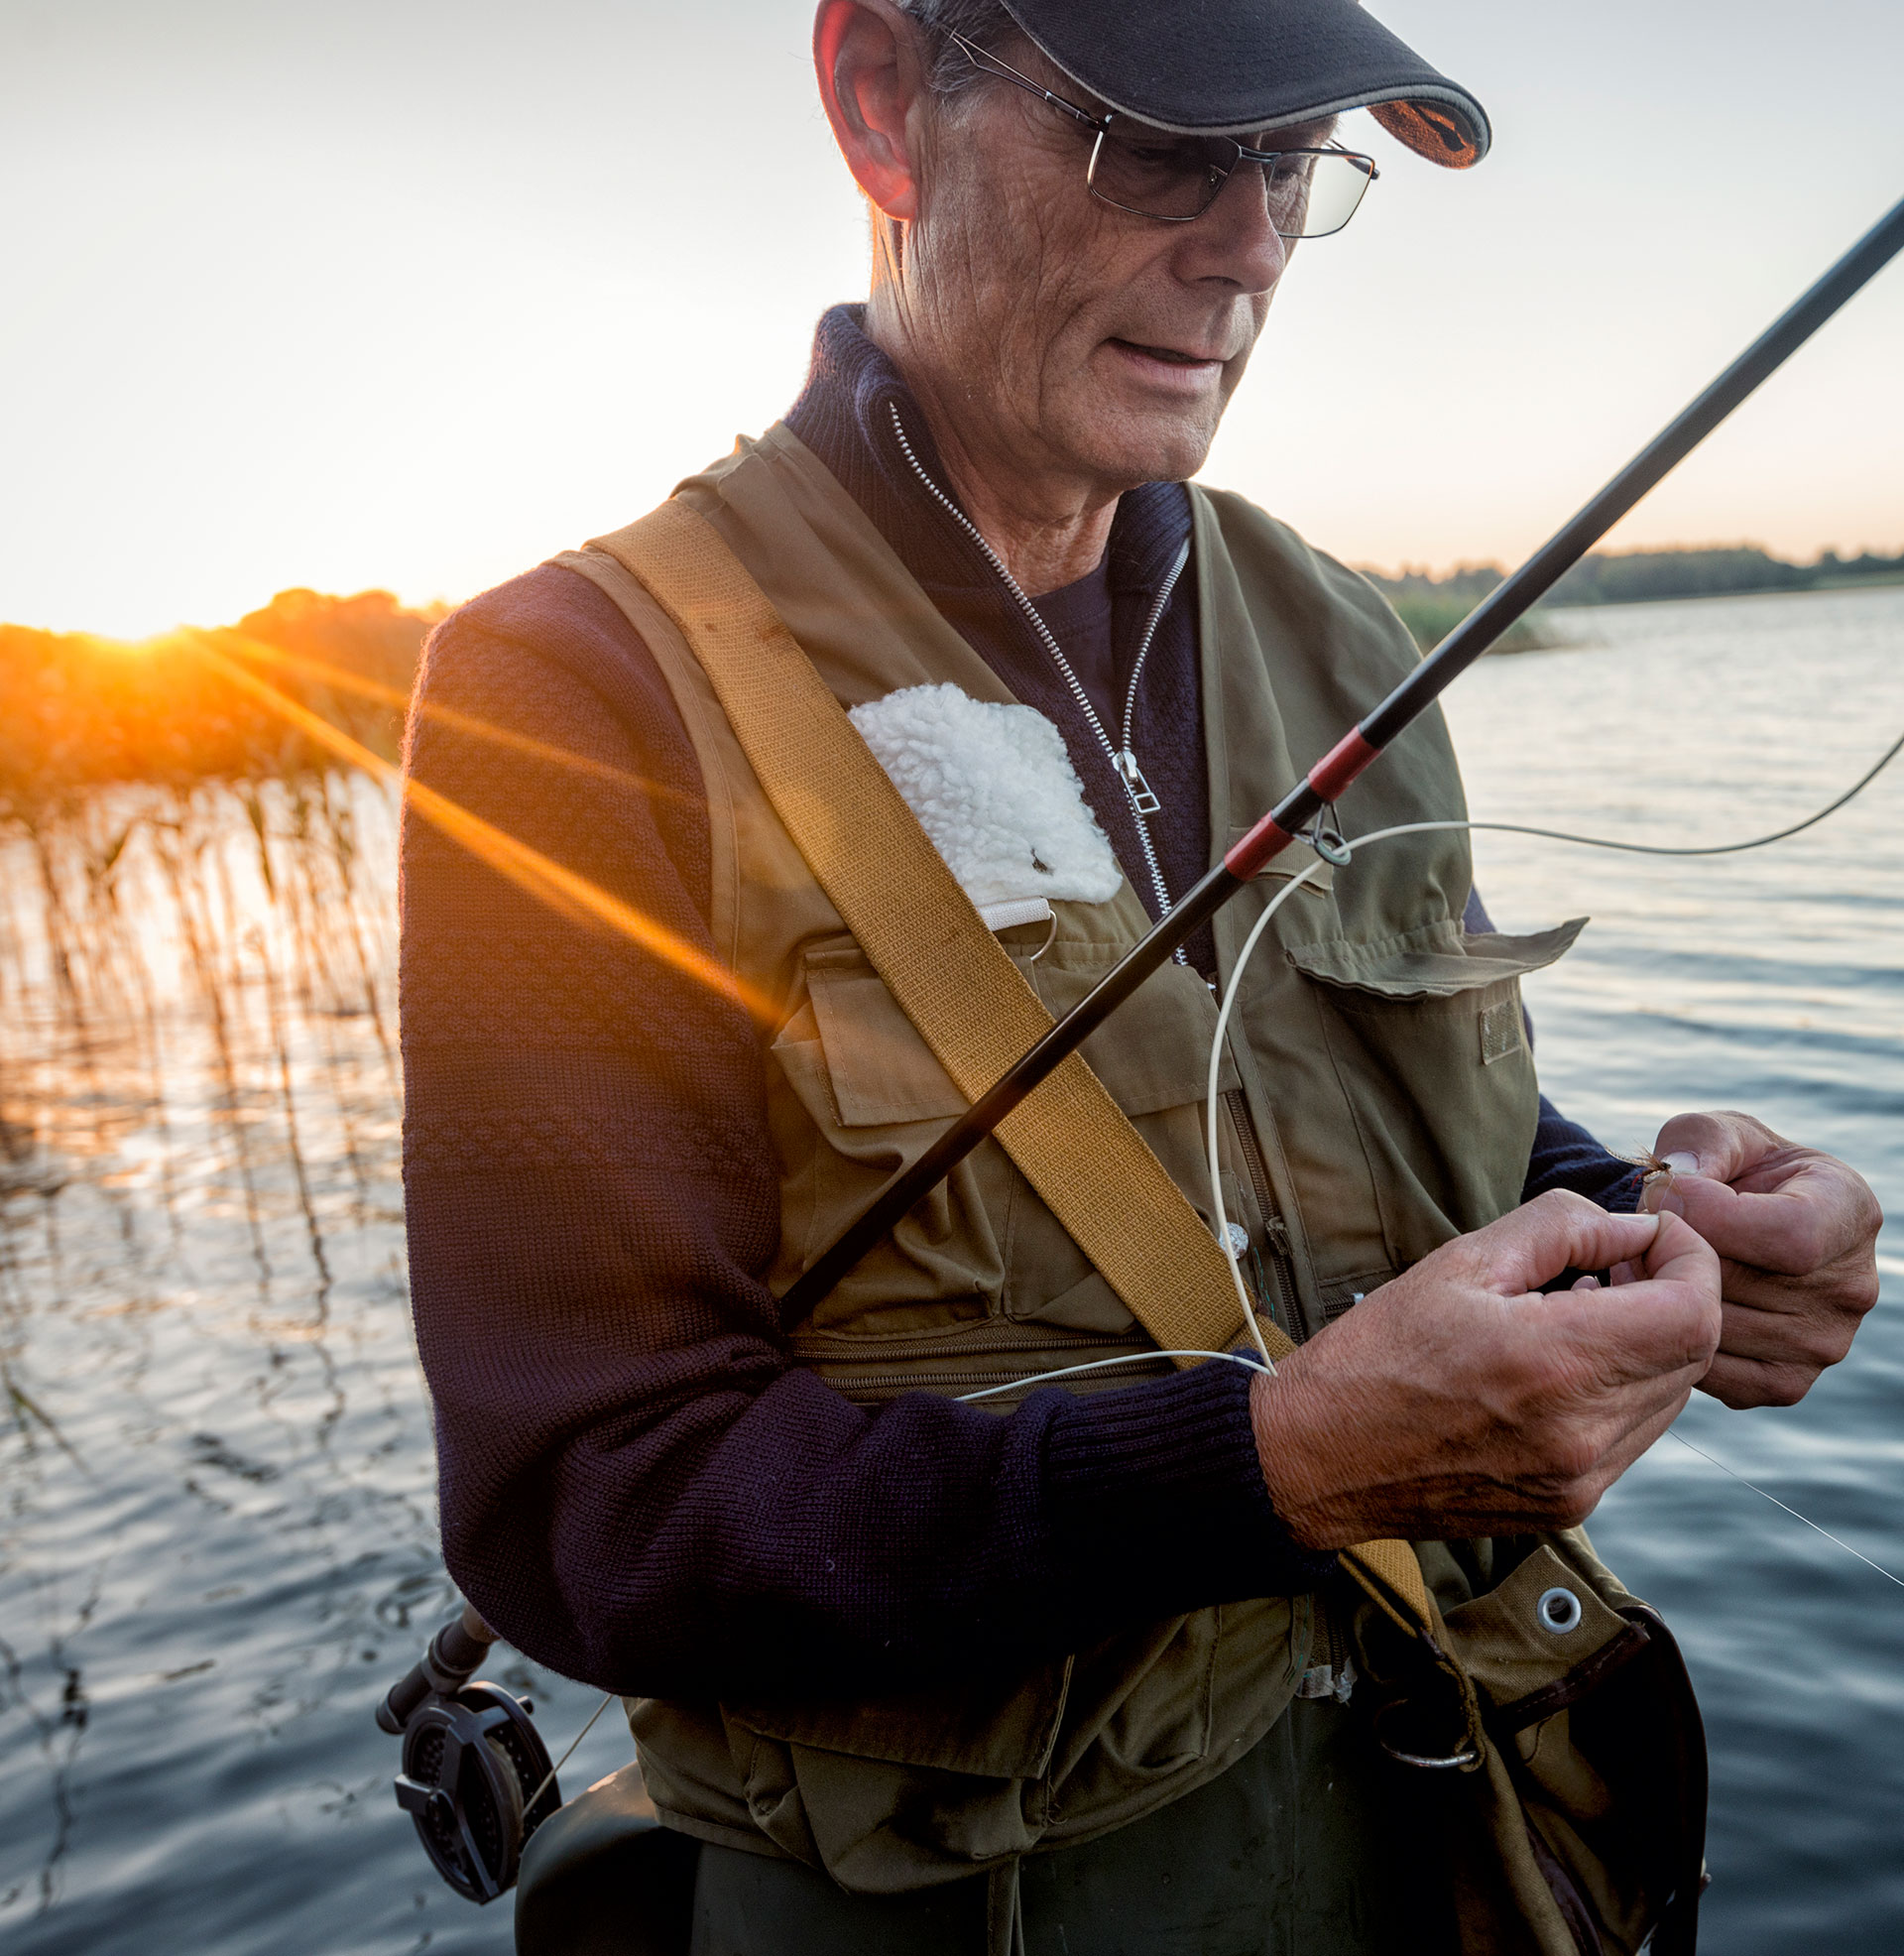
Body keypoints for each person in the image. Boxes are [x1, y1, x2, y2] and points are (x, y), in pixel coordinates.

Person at [399, 2, 1882, 1950]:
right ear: (879, 101)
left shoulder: (1351, 637)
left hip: (1423, 1819)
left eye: (1285, 162)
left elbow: (1420, 1125)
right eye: (1155, 142)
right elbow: (596, 1502)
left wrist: (1654, 1234)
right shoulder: (575, 690)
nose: (1252, 242)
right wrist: (1277, 1462)